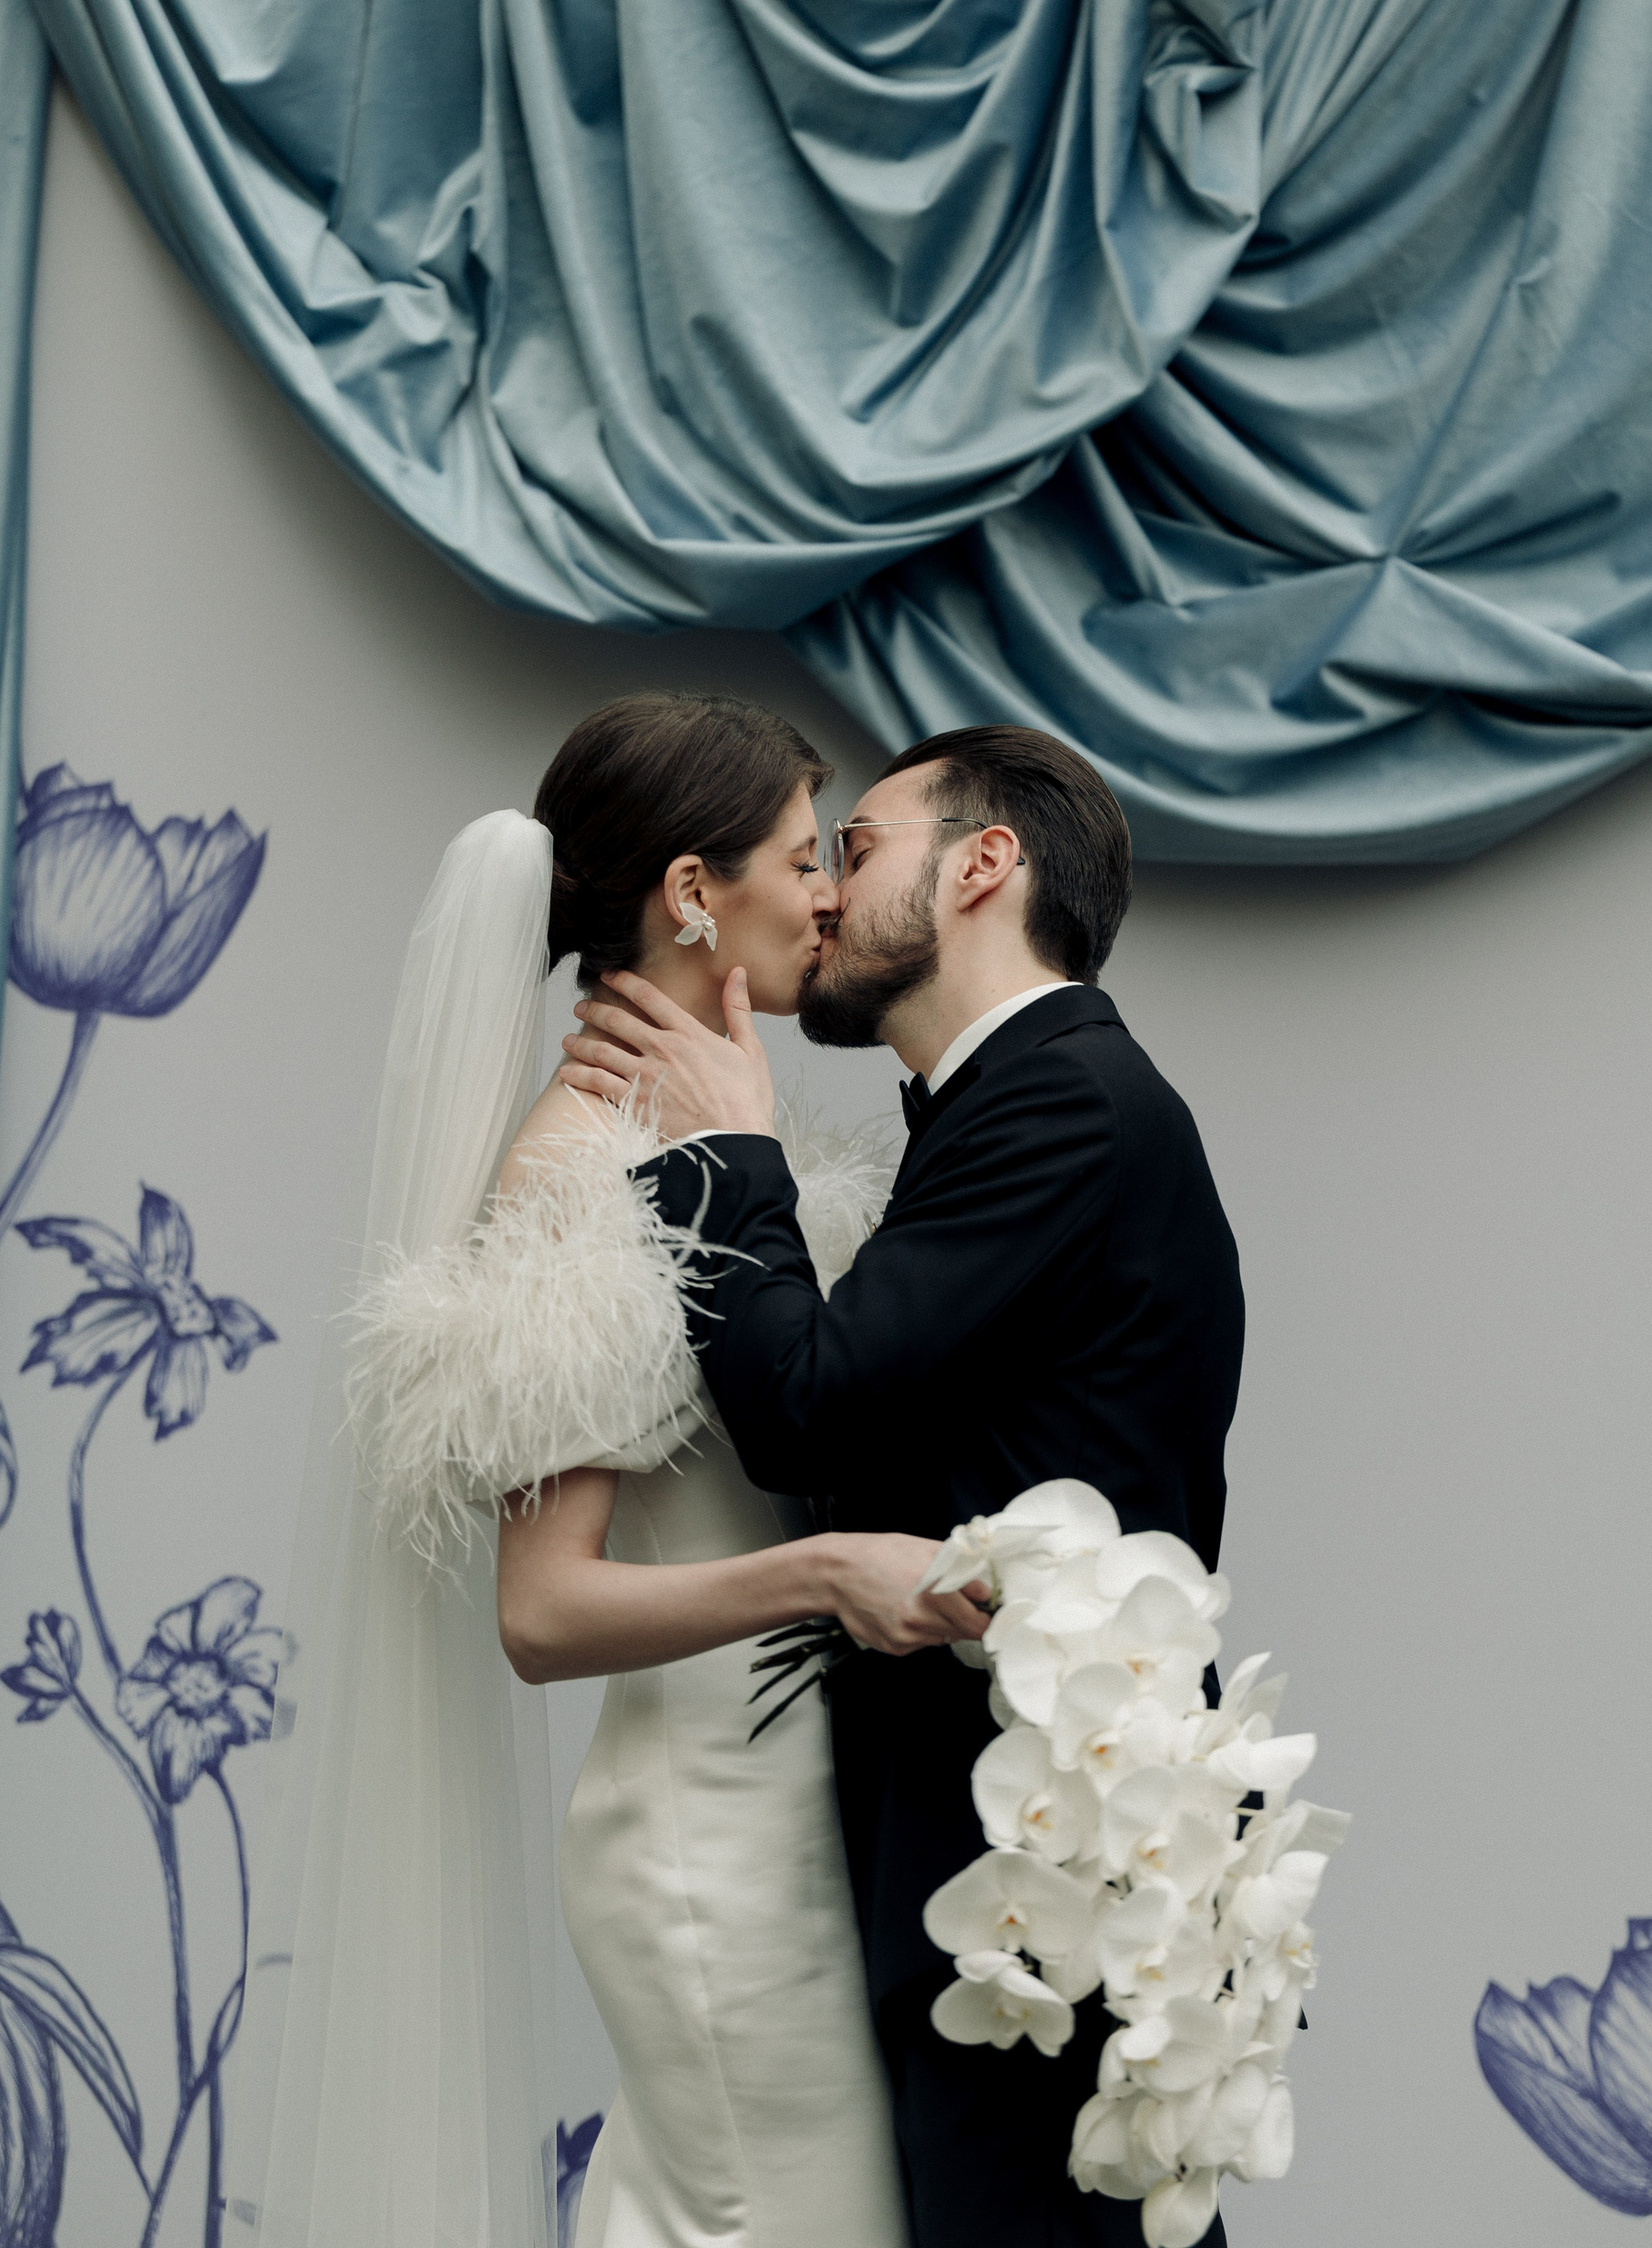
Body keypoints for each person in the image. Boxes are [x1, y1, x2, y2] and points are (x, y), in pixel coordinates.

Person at [226, 693, 988, 2248]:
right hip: (711, 1838)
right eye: (802, 857)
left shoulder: (730, 1138)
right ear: (695, 894)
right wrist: (823, 1573)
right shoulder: (578, 1170)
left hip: (806, 1816)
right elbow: (542, 1613)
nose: (830, 895)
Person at [559, 724, 1246, 2248]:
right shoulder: (1012, 1106)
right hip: (974, 1857)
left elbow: (807, 1411)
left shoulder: (1064, 1103)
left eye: (855, 850)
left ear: (984, 865)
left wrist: (725, 1150)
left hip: (1036, 1879)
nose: (824, 892)